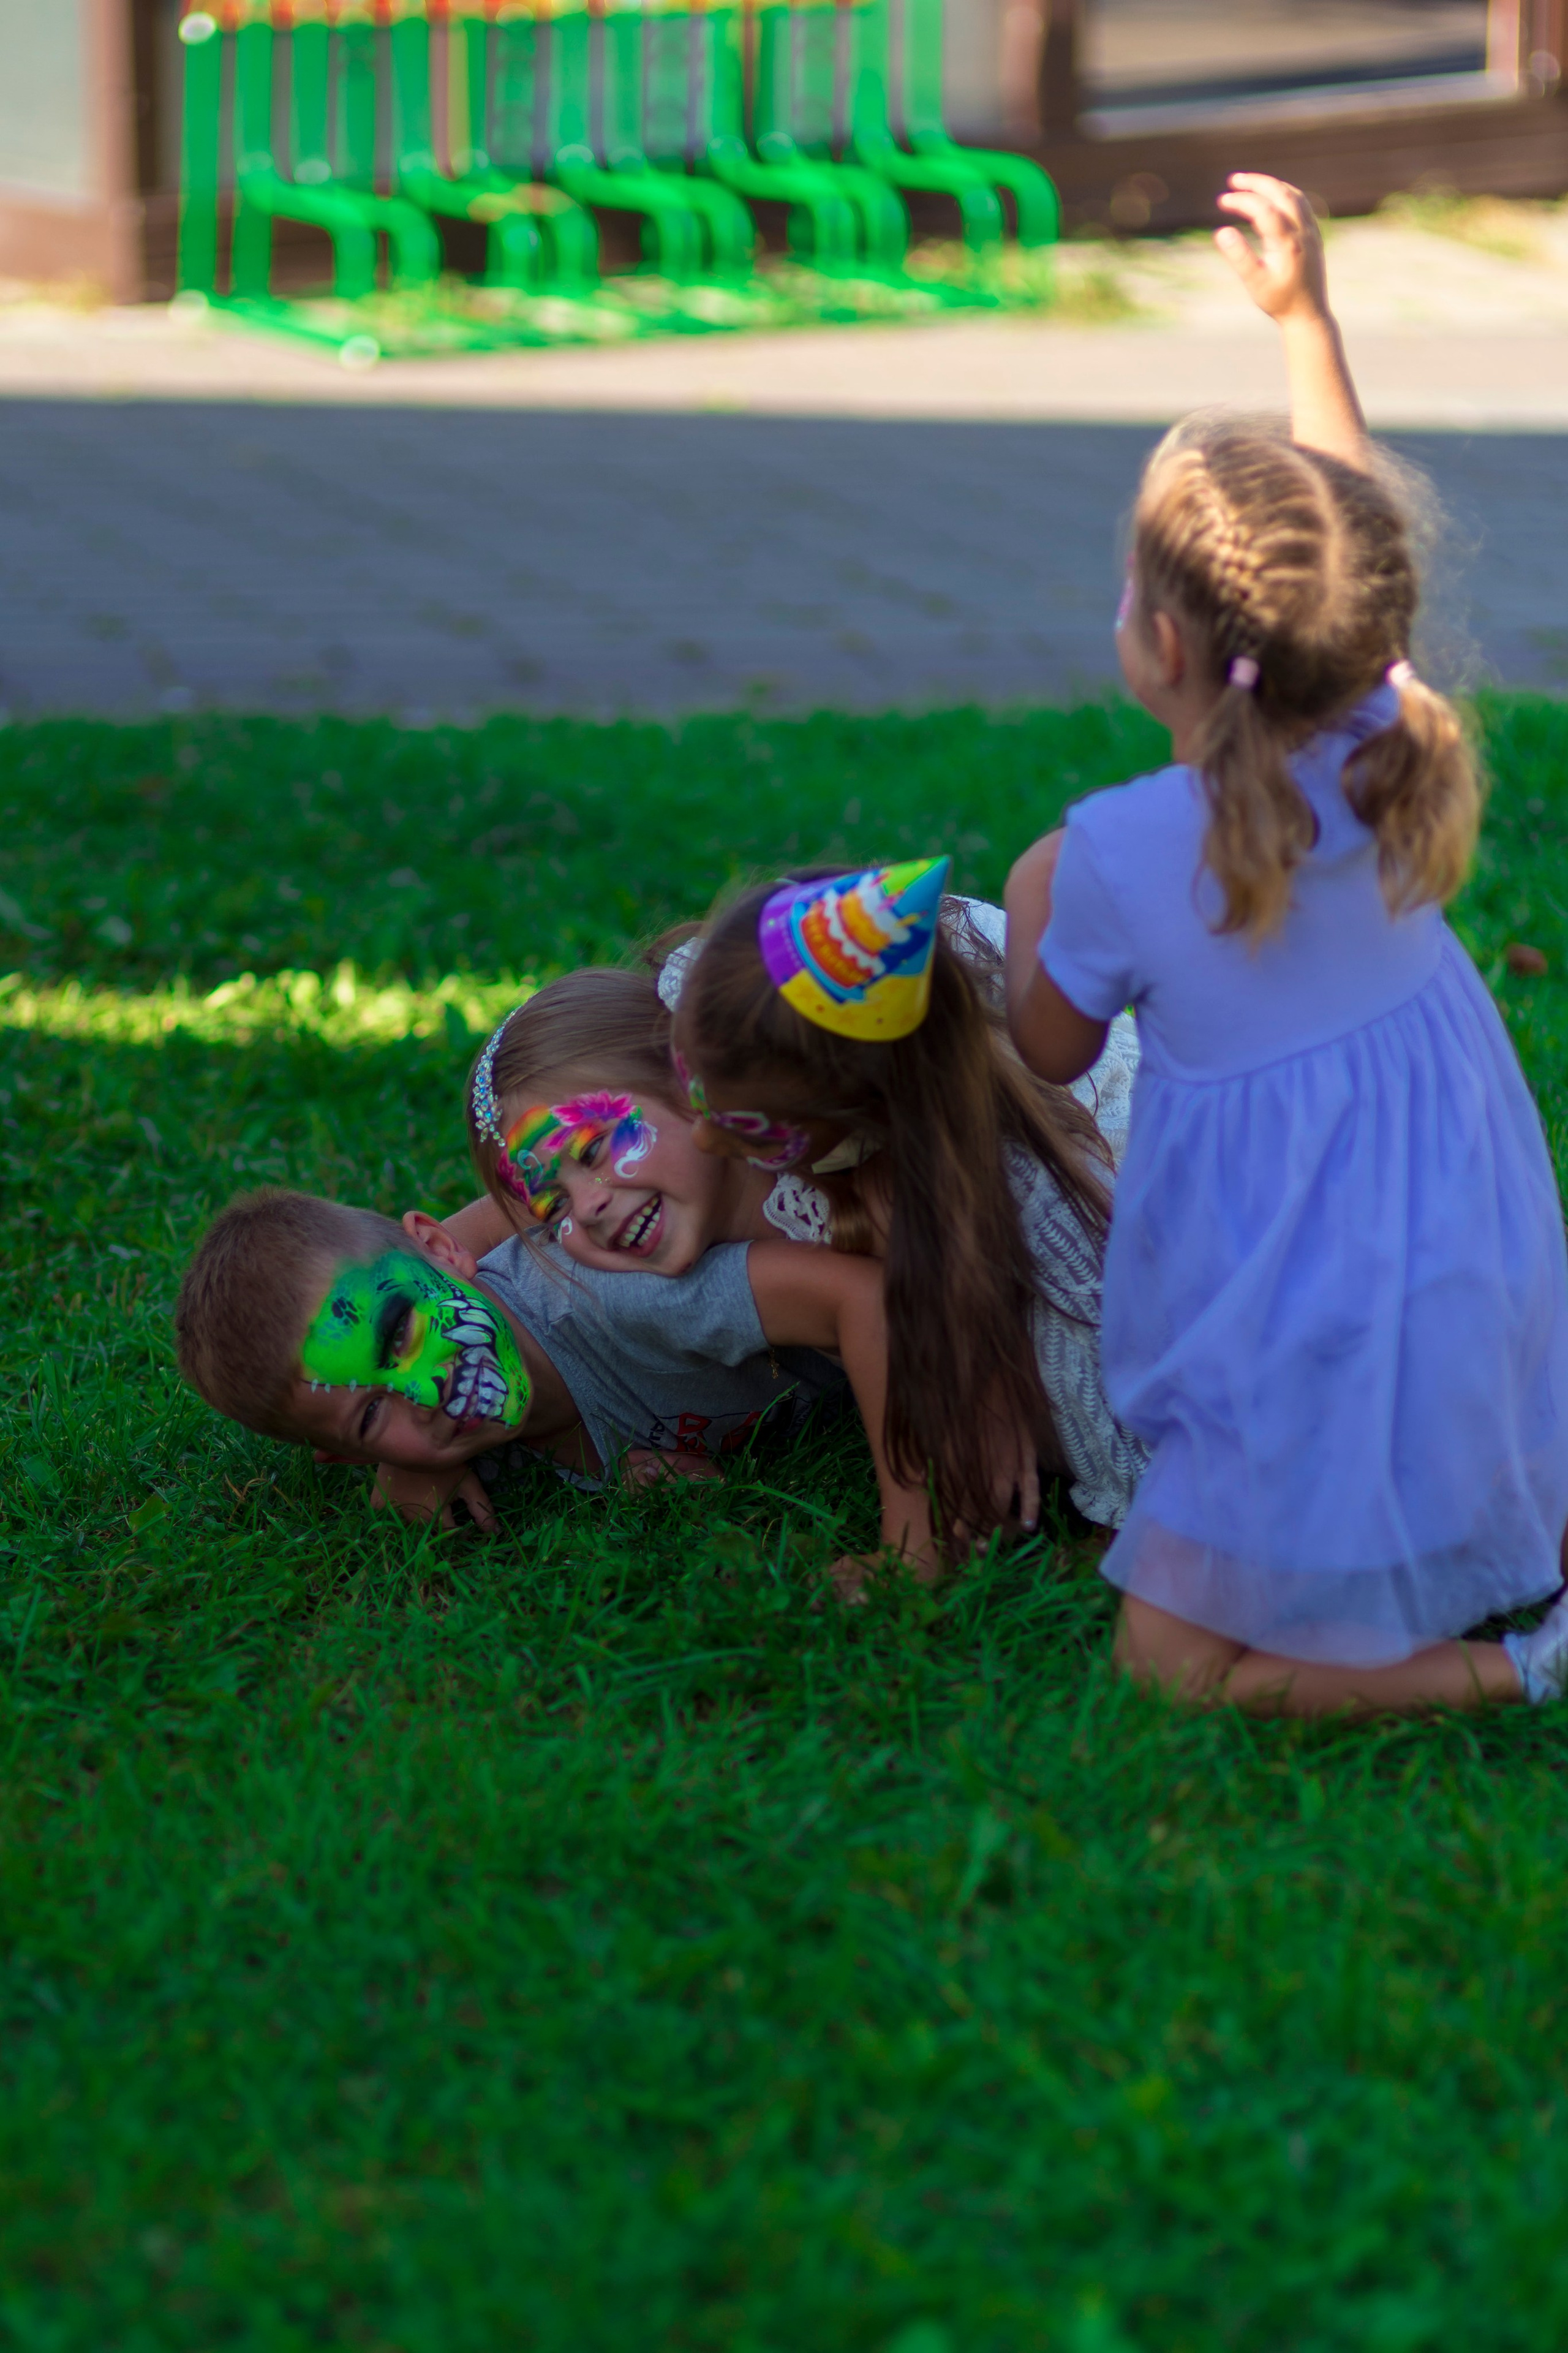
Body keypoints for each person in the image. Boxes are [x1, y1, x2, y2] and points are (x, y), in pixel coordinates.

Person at [1003, 173, 1568, 1716]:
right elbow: (1345, 524)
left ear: (1163, 647)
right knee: (1474, 1434)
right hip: (1471, 1233)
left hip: (1284, 1294)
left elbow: (1042, 1055)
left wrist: (1027, 894)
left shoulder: (1107, 850)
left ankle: (1512, 1670)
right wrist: (1305, 320)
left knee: (1173, 1667)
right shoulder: (1383, 733)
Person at [462, 902, 1146, 1547]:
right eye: (553, 1207)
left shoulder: (834, 1146)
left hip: (1099, 1220)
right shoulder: (666, 1184)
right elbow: (472, 1230)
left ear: (689, 1082)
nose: (586, 1207)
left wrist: (933, 1524)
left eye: (592, 1151)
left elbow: (1026, 1296)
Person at [173, 1187, 940, 1580]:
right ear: (346, 1457)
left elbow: (869, 1299)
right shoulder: (461, 1451)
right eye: (374, 1412)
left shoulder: (616, 1293)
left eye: (401, 1332)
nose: (429, 1389)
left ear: (442, 1249)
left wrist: (912, 1543)